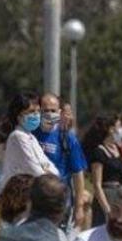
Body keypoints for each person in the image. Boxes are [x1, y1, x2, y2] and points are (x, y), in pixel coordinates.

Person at [33, 93, 90, 228]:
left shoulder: (68, 139)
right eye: (45, 110)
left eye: (53, 110)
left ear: (59, 112)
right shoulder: (30, 135)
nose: (49, 114)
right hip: (34, 201)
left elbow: (78, 175)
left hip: (59, 202)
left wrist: (79, 207)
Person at [1, 92, 58, 188]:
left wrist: (49, 172)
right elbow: (35, 170)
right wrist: (46, 172)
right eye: (31, 111)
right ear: (19, 116)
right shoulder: (18, 137)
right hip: (17, 194)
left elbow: (49, 165)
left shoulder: (31, 137)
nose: (36, 115)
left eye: (38, 111)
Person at [84, 114, 122, 226]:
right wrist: (107, 208)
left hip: (119, 195)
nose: (121, 130)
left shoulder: (118, 149)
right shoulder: (99, 152)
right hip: (105, 196)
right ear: (111, 129)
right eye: (118, 126)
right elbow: (97, 184)